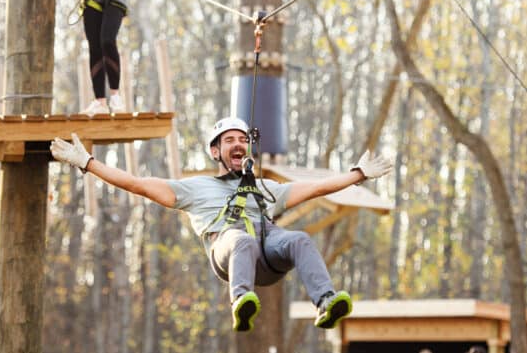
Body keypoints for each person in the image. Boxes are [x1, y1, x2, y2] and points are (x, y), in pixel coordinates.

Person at [50, 117, 393, 332]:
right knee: (240, 239)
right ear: (215, 152)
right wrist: (88, 163)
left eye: (241, 140)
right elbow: (137, 183)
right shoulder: (194, 187)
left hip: (267, 248)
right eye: (229, 140)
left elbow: (317, 187)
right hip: (226, 250)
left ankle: (326, 303)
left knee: (299, 238)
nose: (237, 144)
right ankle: (241, 303)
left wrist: (357, 175)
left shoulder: (266, 188)